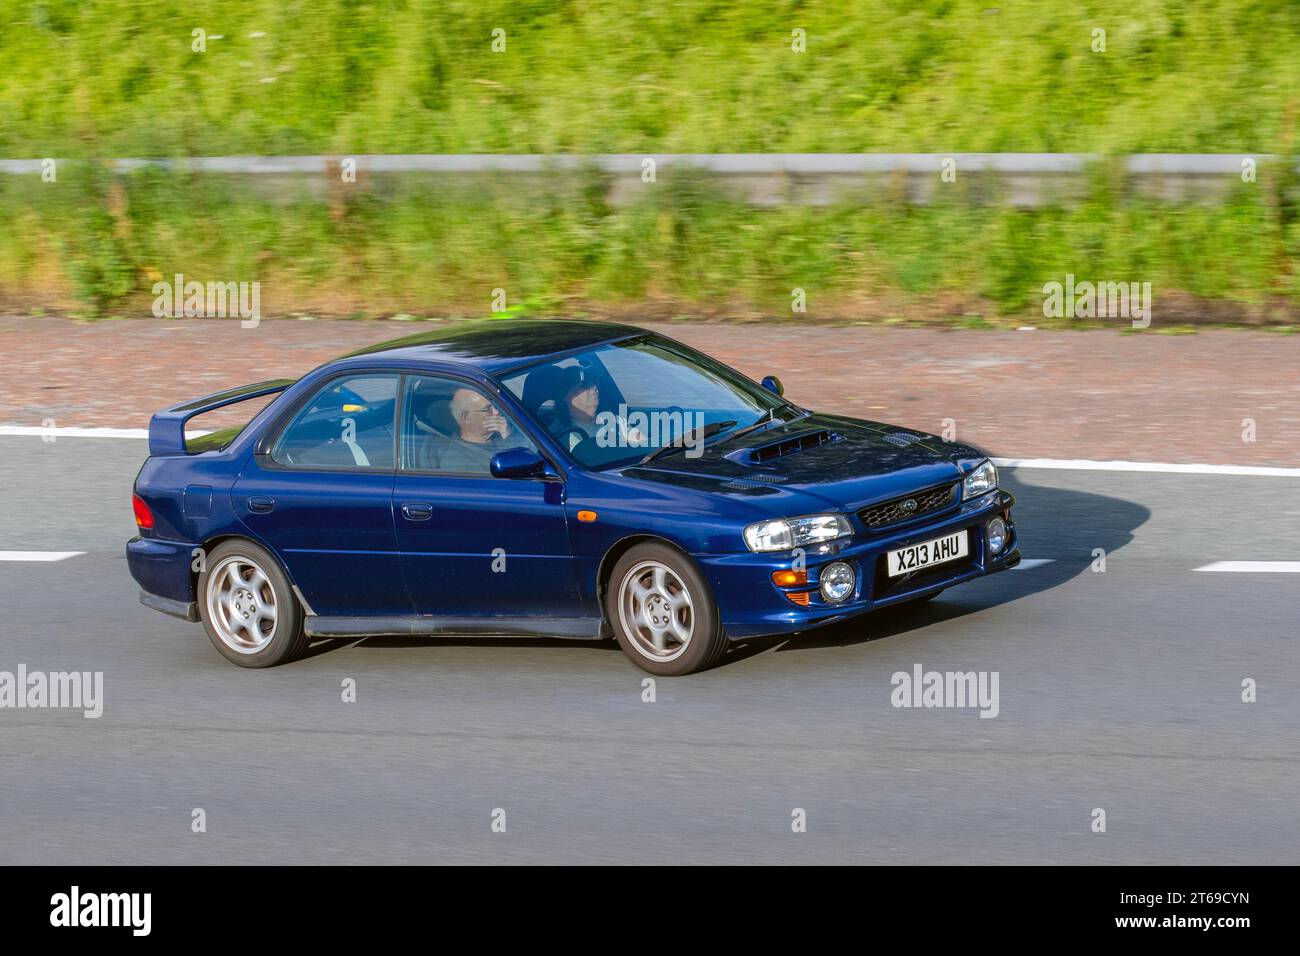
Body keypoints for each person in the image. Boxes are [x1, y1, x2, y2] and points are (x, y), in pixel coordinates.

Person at [430, 387, 512, 473]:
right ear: (467, 417)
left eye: (494, 406)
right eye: (487, 409)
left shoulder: (502, 433)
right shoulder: (457, 461)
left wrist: (507, 435)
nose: (496, 412)